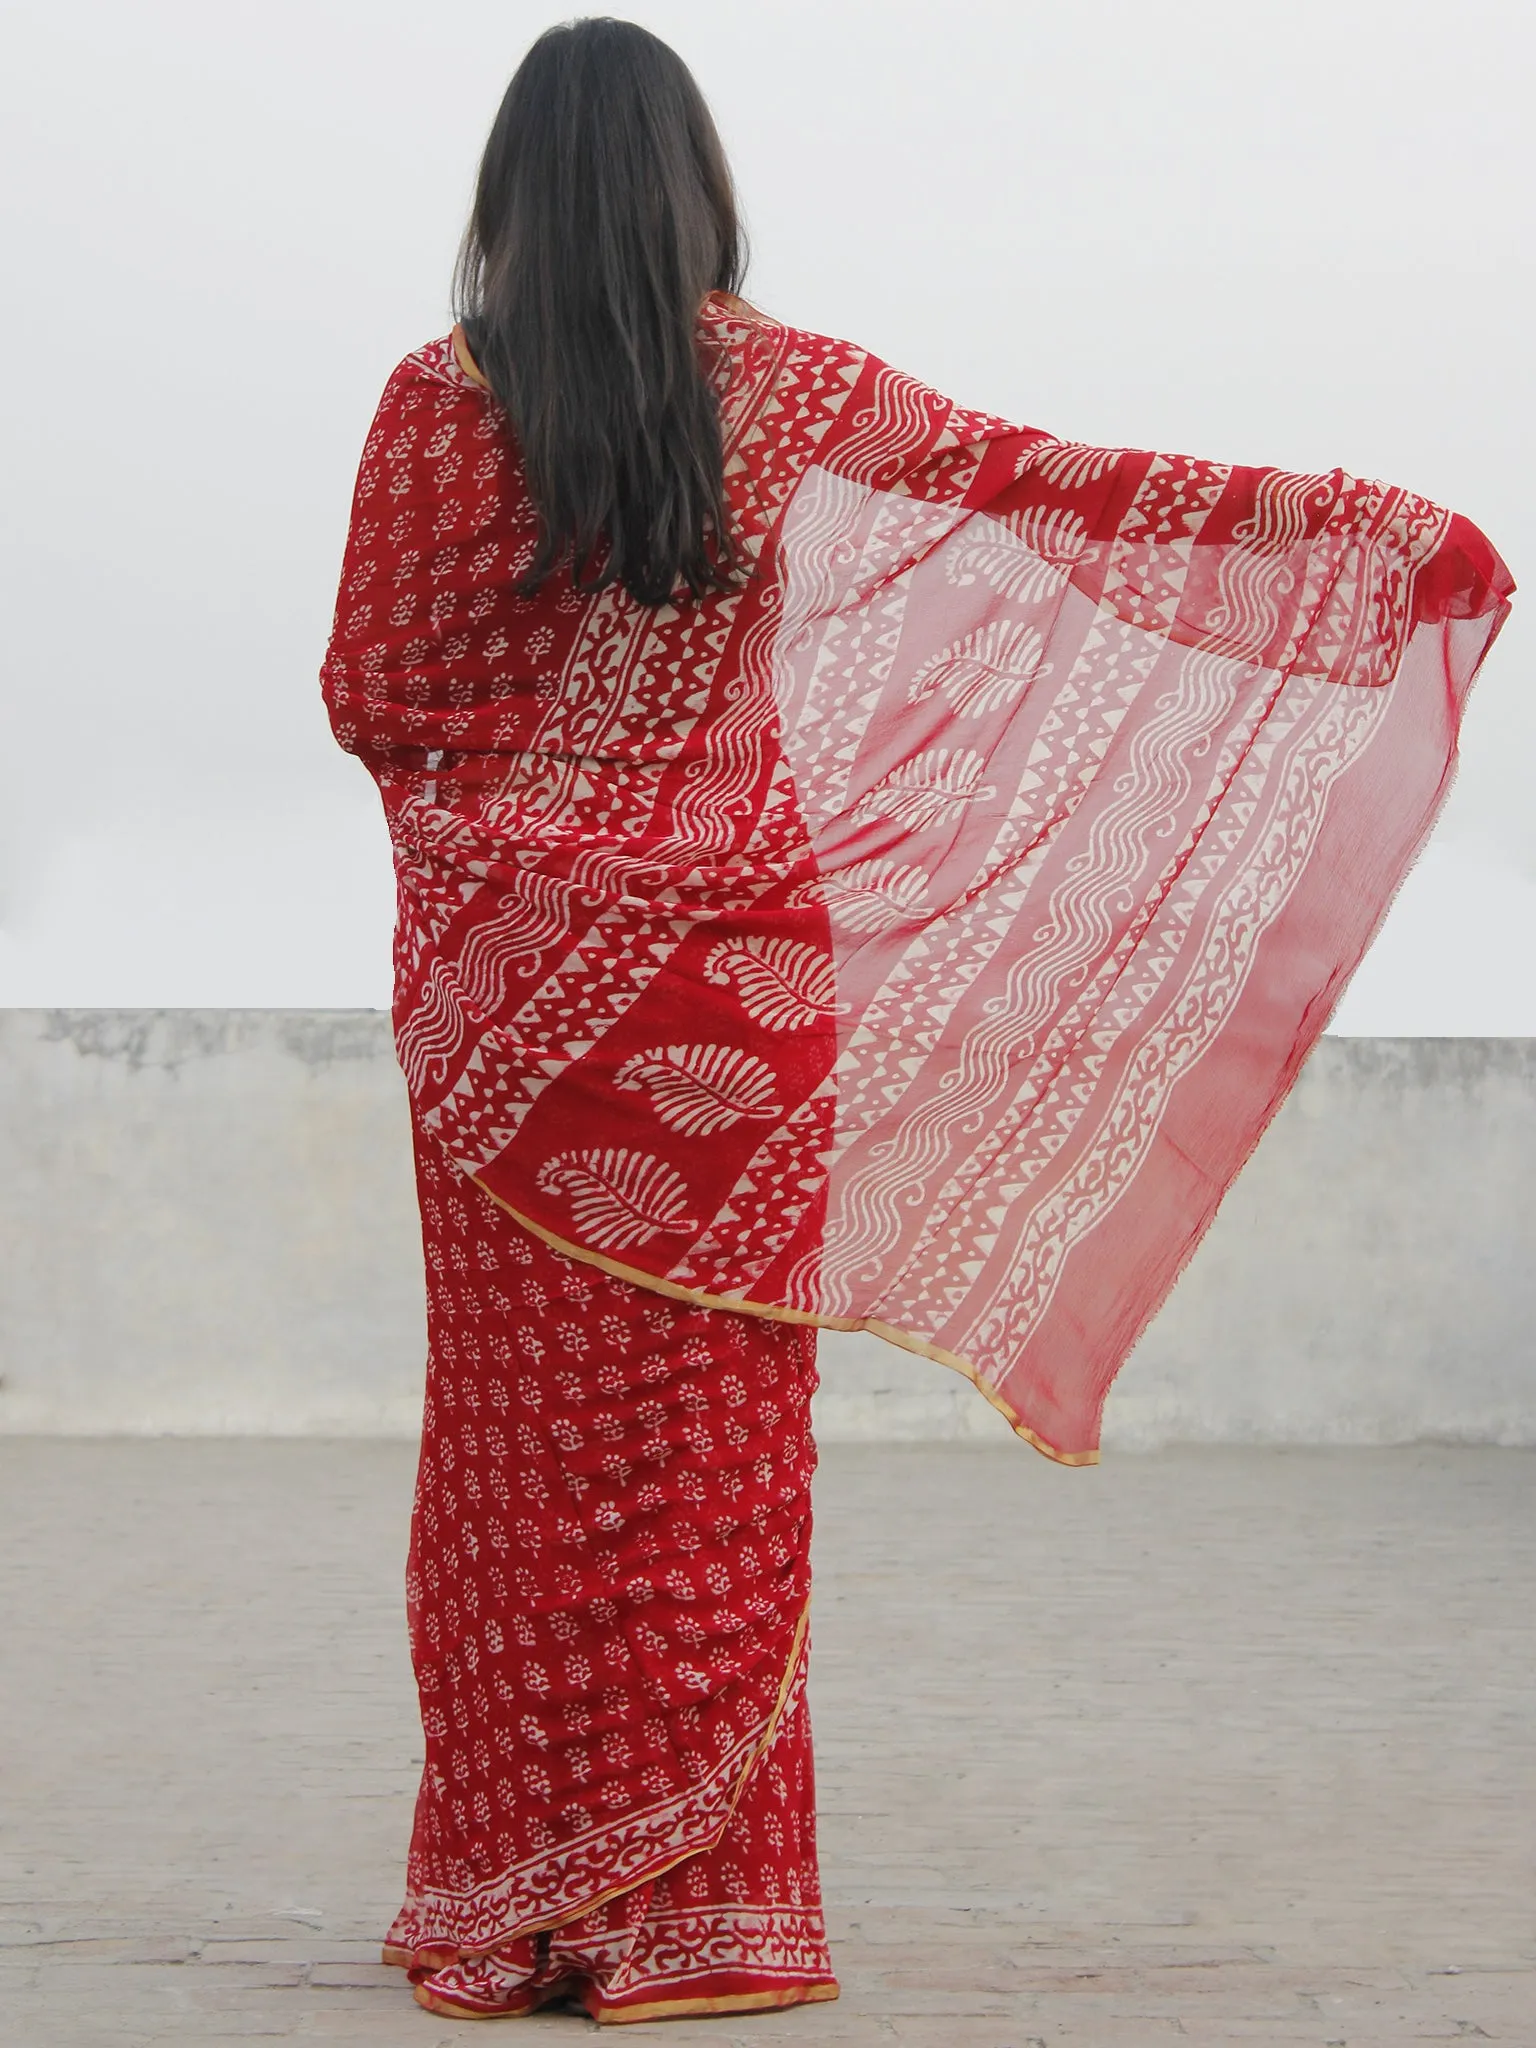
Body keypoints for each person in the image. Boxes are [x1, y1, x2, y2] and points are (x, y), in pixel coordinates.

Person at [321, 16, 1512, 2025]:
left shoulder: (436, 406)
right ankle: (696, 1919)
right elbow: (1063, 490)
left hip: (514, 1023)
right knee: (707, 1457)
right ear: (696, 189)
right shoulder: (790, 398)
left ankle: (515, 1908)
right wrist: (1354, 530)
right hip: (742, 999)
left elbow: (373, 691)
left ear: (506, 203)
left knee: (517, 1461)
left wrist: (536, 816)